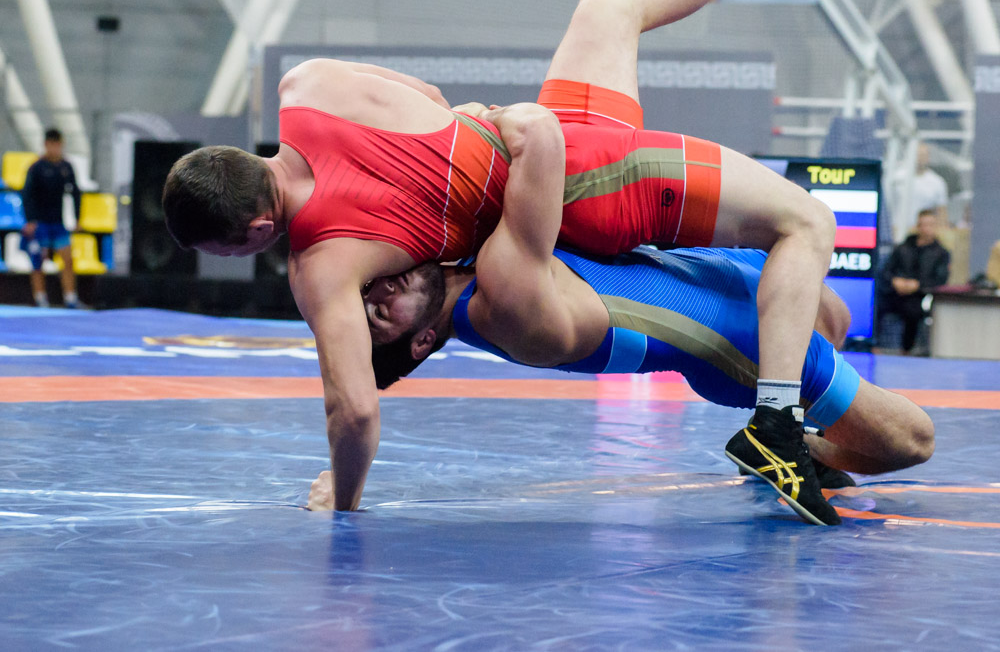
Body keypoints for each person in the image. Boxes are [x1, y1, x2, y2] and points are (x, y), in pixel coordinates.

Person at [163, 0, 838, 515]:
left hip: (582, 180)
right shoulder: (308, 84)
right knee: (792, 214)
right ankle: (781, 415)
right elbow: (431, 98)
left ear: (255, 230)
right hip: (538, 155)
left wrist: (343, 495)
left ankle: (776, 425)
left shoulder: (320, 267)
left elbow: (354, 410)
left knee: (618, 19)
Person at [321, 111, 936, 525]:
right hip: (735, 340)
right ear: (424, 341)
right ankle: (785, 437)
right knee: (913, 441)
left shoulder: (469, 259)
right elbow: (537, 134)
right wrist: (480, 116)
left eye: (370, 289)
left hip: (710, 271)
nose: (382, 288)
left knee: (830, 311)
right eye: (380, 314)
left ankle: (791, 447)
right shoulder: (502, 302)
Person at [20, 128, 81, 309]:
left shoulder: (66, 167)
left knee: (68, 260)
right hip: (40, 223)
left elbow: (75, 193)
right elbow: (27, 195)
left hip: (58, 223)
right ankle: (40, 298)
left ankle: (70, 298)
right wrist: (30, 220)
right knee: (38, 261)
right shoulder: (36, 167)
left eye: (58, 145)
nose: (56, 149)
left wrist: (77, 217)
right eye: (52, 145)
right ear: (46, 145)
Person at [877, 209, 950, 355]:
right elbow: (887, 271)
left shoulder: (941, 253)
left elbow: (940, 279)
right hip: (896, 293)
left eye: (930, 225)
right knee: (876, 303)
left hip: (920, 296)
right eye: (923, 224)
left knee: (913, 311)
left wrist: (918, 285)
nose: (926, 228)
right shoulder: (903, 248)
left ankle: (906, 350)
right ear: (917, 226)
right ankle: (874, 345)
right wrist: (895, 281)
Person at [906, 142, 949, 229]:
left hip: (925, 232)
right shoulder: (897, 178)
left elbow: (942, 211)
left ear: (928, 157)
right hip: (898, 230)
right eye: (918, 155)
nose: (920, 158)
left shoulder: (937, 182)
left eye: (923, 155)